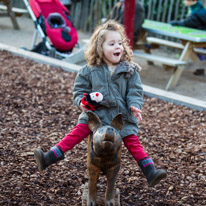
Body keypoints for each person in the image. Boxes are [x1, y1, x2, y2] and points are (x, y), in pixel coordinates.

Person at [34, 20, 166, 187]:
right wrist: (82, 103)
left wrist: (135, 106)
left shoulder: (130, 70)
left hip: (121, 117)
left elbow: (135, 91)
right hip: (96, 115)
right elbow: (79, 92)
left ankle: (150, 171)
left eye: (120, 43)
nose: (118, 47)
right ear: (99, 48)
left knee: (132, 140)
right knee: (77, 132)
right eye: (112, 44)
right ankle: (50, 157)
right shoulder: (89, 70)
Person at [170, 0, 206, 76]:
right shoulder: (198, 9)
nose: (184, 1)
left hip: (201, 39)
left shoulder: (197, 12)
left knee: (192, 46)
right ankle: (199, 66)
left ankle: (200, 66)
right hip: (199, 36)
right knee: (189, 45)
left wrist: (175, 23)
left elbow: (188, 23)